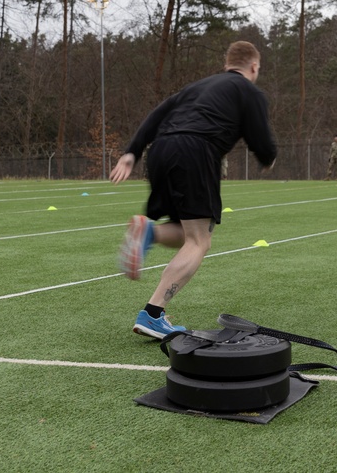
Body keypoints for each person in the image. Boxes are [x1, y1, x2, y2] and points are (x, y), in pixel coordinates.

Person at [110, 41, 277, 339]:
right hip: (196, 151)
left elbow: (156, 115)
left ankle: (149, 233)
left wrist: (132, 151)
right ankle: (153, 313)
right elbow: (261, 140)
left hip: (160, 150)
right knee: (200, 242)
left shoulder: (196, 87)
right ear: (253, 67)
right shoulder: (249, 91)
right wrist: (268, 157)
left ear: (227, 63)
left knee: (183, 231)